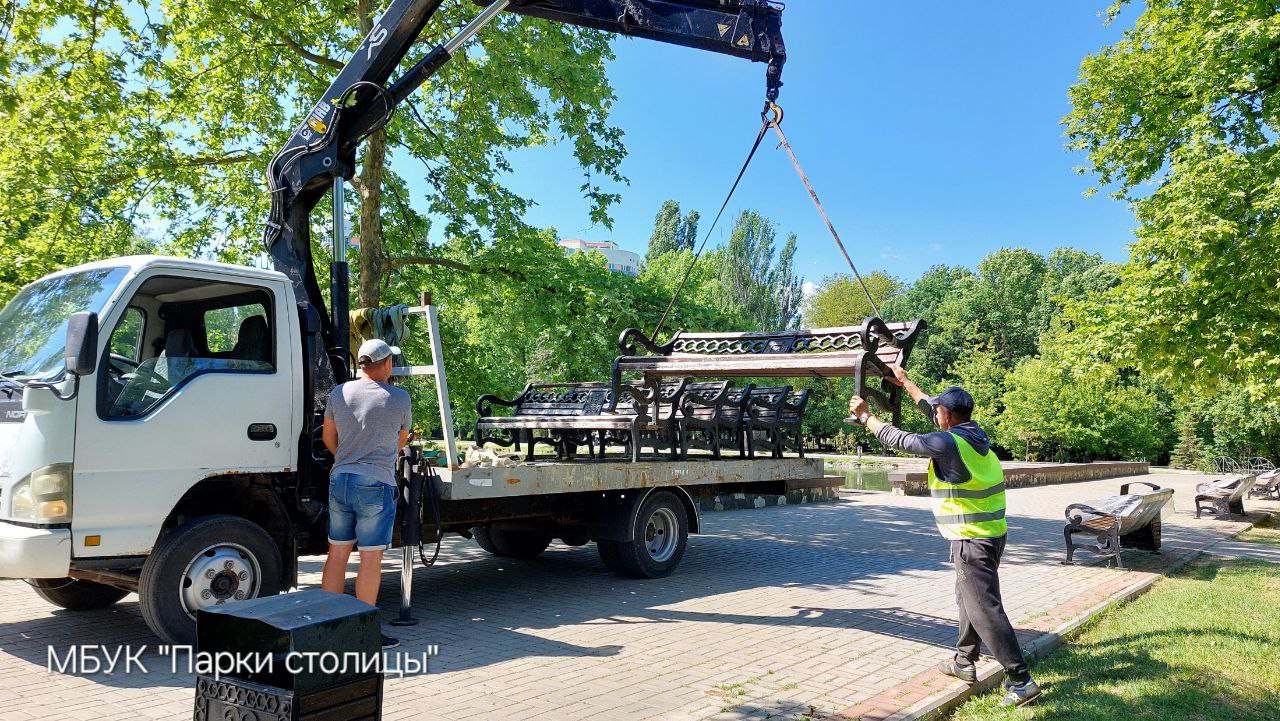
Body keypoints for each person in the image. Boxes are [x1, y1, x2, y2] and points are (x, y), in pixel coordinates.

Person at [848, 364, 1040, 707]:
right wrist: (906, 383)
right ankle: (964, 662)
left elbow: (903, 440)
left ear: (948, 416)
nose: (934, 413)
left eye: (939, 410)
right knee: (969, 600)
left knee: (984, 609)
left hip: (971, 541)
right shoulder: (974, 435)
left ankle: (1021, 681)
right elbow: (930, 409)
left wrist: (866, 418)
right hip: (992, 535)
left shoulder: (948, 443)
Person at [321, 339, 412, 649]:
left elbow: (327, 436)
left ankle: (327, 628)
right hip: (376, 484)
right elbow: (400, 440)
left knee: (338, 553)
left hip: (340, 479)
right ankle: (363, 633)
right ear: (385, 364)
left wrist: (346, 459)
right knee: (370, 560)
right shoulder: (399, 398)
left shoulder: (339, 392)